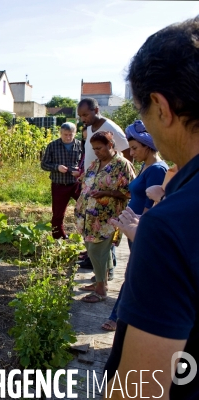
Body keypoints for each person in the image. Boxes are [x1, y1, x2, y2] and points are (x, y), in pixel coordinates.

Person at [104, 16, 199, 399]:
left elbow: (138, 389)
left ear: (161, 107)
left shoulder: (171, 225)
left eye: (143, 114)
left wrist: (150, 242)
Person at [101, 120, 167, 331]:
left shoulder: (157, 169)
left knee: (133, 273)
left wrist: (140, 230)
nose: (131, 151)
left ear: (148, 146)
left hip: (140, 229)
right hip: (134, 227)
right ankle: (122, 316)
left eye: (136, 148)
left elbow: (151, 204)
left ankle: (119, 317)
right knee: (133, 272)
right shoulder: (145, 165)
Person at [74, 131, 135, 303]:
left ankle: (101, 291)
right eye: (94, 149)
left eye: (99, 148)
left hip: (107, 217)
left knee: (96, 251)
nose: (96, 152)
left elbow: (130, 191)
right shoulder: (95, 163)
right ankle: (100, 282)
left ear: (110, 145)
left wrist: (106, 192)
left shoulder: (122, 165)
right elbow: (86, 181)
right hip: (88, 217)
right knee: (98, 252)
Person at [40, 122, 83, 239]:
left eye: (71, 134)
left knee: (86, 207)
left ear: (75, 133)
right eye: (65, 135)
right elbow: (44, 165)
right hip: (59, 184)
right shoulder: (52, 146)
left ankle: (87, 234)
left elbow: (86, 164)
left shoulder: (80, 146)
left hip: (76, 184)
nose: (68, 137)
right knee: (58, 213)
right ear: (60, 133)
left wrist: (80, 171)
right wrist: (57, 167)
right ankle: (58, 236)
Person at [77, 97, 130, 170]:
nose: (82, 119)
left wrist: (121, 176)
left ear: (96, 110)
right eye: (80, 116)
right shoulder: (89, 126)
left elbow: (128, 154)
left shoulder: (111, 128)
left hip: (107, 180)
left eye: (85, 115)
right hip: (91, 179)